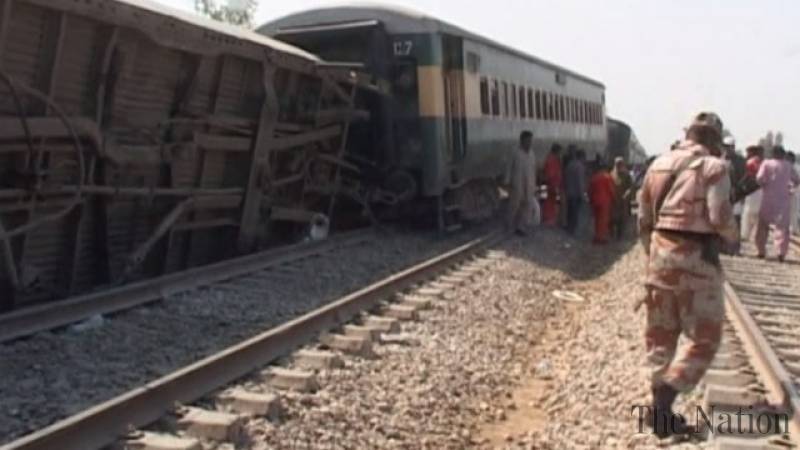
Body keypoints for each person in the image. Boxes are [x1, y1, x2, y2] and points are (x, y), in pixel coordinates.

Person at [637, 112, 738, 438]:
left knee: (661, 337)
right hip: (696, 263)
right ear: (713, 140)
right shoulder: (714, 168)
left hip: (659, 257)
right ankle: (668, 392)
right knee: (705, 337)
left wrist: (652, 257)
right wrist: (732, 238)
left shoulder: (658, 164)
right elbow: (719, 216)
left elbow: (643, 219)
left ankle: (660, 412)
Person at [754, 146, 800, 261]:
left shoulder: (766, 163)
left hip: (767, 199)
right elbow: (797, 179)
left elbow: (759, 178)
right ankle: (781, 252)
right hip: (783, 200)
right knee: (782, 228)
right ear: (783, 154)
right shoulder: (788, 166)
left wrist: (766, 184)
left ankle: (761, 250)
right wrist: (790, 188)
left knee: (762, 226)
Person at [507, 130, 538, 236]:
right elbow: (509, 168)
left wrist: (535, 183)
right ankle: (510, 225)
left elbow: (534, 169)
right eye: (527, 140)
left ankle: (521, 227)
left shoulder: (532, 154)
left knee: (527, 205)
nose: (529, 143)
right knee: (514, 205)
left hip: (529, 184)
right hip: (517, 183)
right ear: (521, 141)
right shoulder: (515, 152)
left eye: (530, 141)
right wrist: (507, 181)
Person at [740, 146, 764, 241]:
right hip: (761, 190)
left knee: (748, 213)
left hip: (751, 190)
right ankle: (756, 236)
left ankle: (745, 235)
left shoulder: (750, 162)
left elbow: (747, 176)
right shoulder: (763, 162)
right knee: (758, 215)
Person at [589, 160, 615, 244]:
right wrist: (614, 199)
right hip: (605, 201)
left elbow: (590, 190)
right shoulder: (607, 177)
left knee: (597, 219)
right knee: (603, 220)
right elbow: (611, 190)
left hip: (595, 201)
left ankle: (596, 235)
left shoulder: (594, 177)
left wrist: (590, 199)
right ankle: (601, 237)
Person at [564, 150, 588, 235]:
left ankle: (569, 228)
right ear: (582, 157)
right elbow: (580, 182)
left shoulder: (570, 164)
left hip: (569, 192)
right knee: (575, 213)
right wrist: (582, 194)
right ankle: (574, 231)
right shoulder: (580, 167)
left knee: (570, 212)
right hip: (576, 193)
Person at [611, 157, 634, 240]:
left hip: (623, 199)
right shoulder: (612, 174)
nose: (618, 165)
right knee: (613, 217)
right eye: (617, 164)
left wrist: (626, 194)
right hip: (614, 199)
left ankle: (619, 235)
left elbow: (630, 187)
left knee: (622, 218)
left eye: (620, 163)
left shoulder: (627, 174)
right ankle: (612, 233)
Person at [542, 144, 563, 225]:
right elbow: (551, 173)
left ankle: (549, 217)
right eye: (560, 151)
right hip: (553, 183)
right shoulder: (552, 159)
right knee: (550, 200)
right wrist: (554, 183)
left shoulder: (551, 158)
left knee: (551, 200)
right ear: (557, 151)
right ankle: (548, 217)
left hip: (553, 183)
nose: (560, 153)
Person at [788, 152, 800, 236]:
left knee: (794, 211)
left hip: (795, 193)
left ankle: (794, 229)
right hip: (785, 193)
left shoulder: (797, 168)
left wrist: (792, 189)